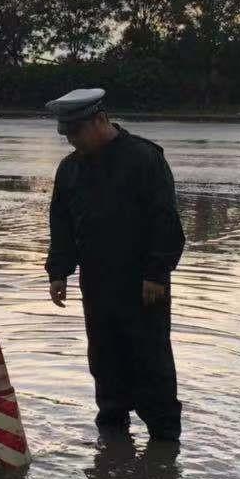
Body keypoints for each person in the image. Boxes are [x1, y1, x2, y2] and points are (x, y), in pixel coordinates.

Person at [44, 88, 185, 441]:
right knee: (105, 360)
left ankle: (165, 439)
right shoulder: (70, 168)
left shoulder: (144, 158)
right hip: (96, 282)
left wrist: (157, 273)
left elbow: (165, 220)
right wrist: (58, 271)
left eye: (77, 133)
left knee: (151, 363)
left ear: (101, 120)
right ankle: (112, 435)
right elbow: (61, 222)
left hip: (142, 286)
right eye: (67, 135)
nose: (72, 141)